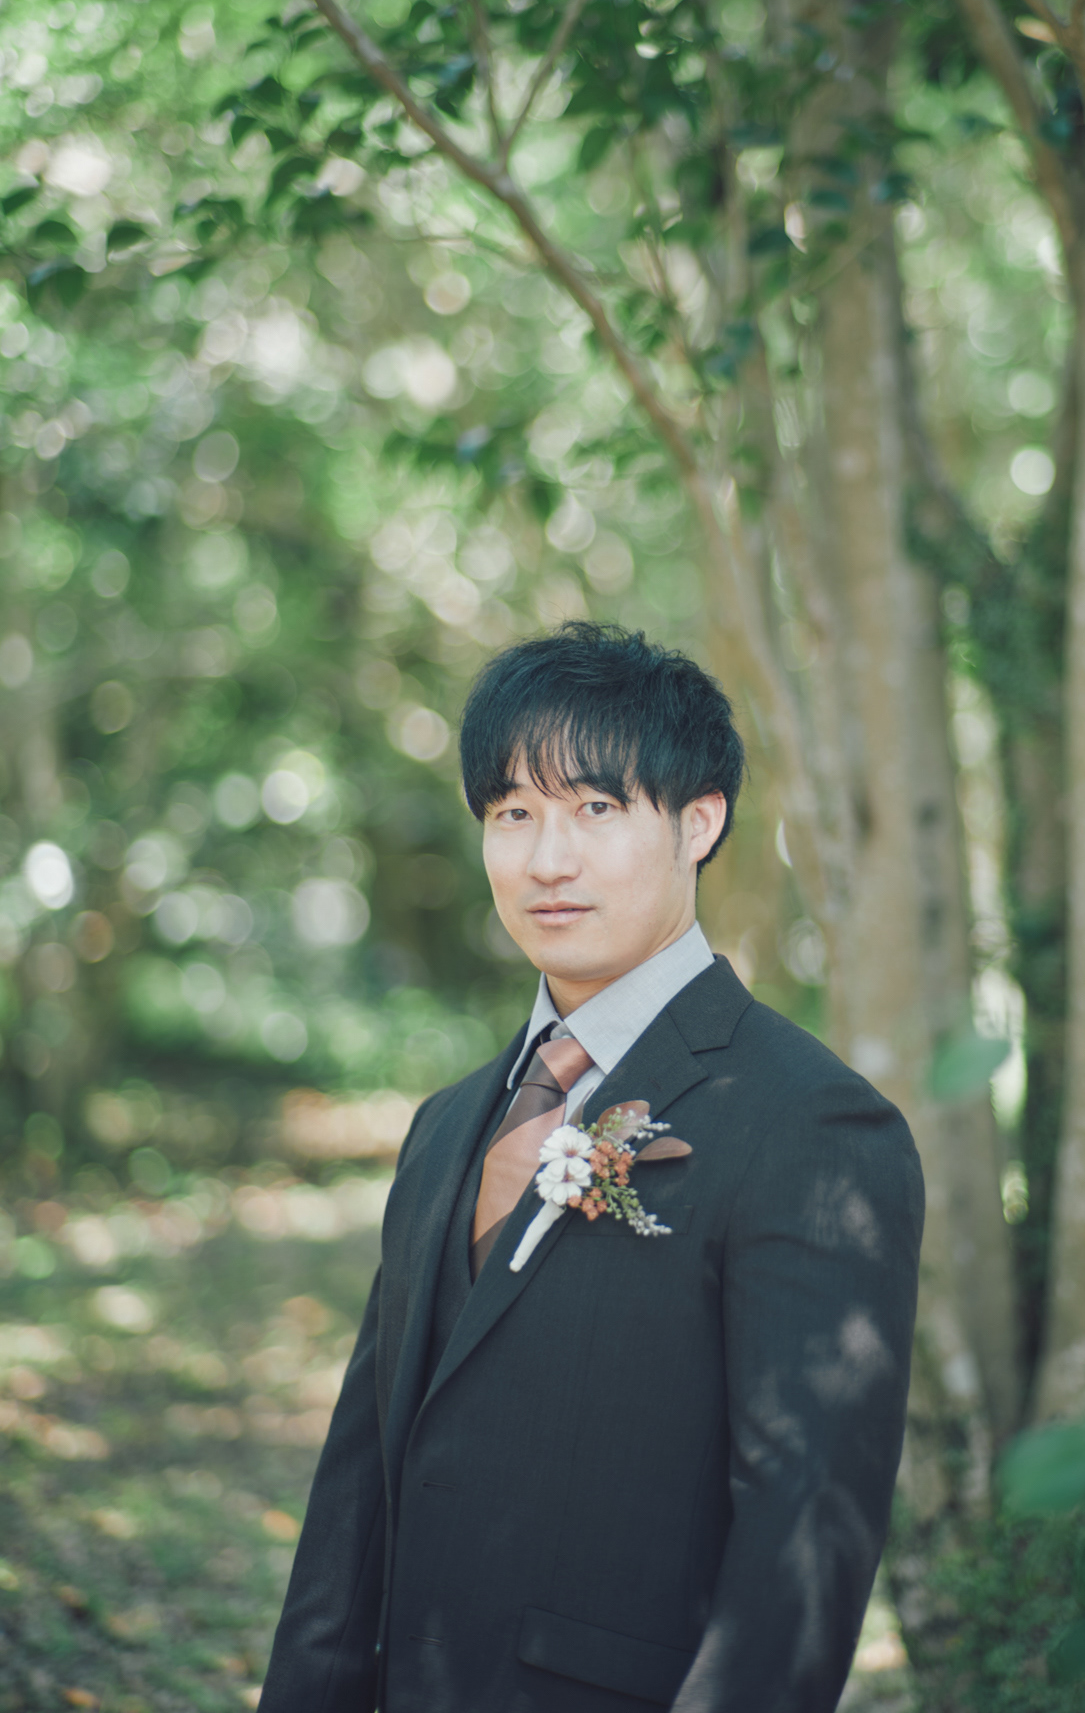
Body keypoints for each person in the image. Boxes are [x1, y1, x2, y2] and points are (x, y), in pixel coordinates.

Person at [258, 621, 924, 1713]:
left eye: (596, 809)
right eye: (512, 813)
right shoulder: (446, 1126)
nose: (546, 860)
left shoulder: (813, 1126)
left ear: (699, 822)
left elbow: (802, 1539)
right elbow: (356, 1495)